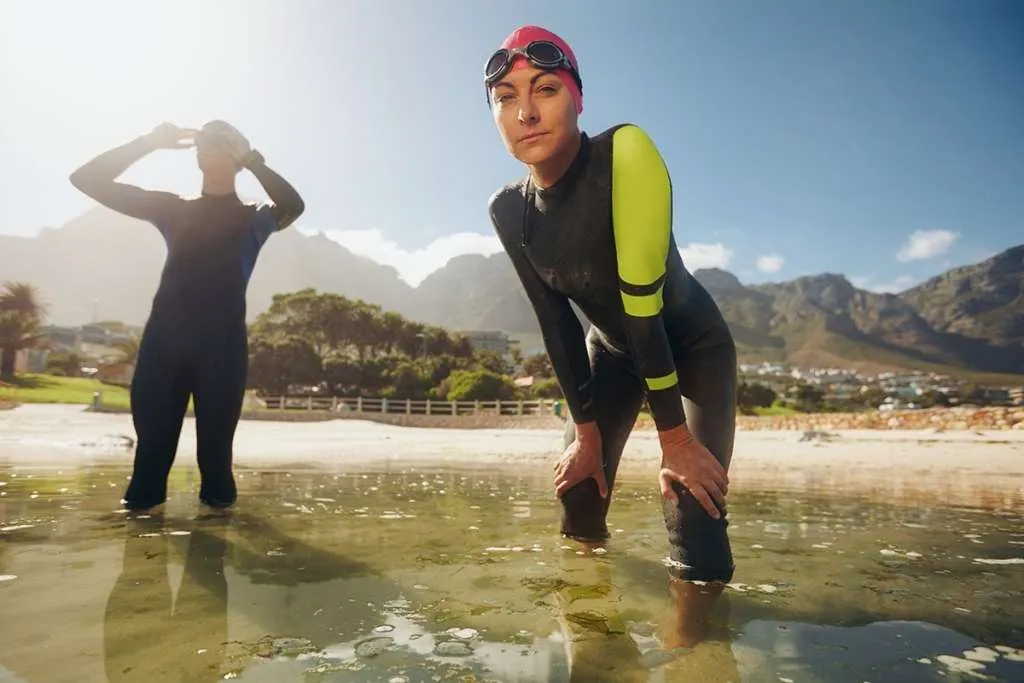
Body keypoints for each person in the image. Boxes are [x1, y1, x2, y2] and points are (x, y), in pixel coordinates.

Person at [485, 25, 737, 583]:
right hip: (615, 353)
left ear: (577, 99)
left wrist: (675, 441)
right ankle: (591, 634)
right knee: (578, 491)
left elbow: (642, 304)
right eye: (506, 98)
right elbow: (555, 323)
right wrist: (587, 436)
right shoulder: (509, 210)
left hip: (691, 347)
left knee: (694, 507)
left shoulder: (625, 153)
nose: (525, 112)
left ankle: (698, 654)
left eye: (545, 89)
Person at [69, 120, 305, 510]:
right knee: (148, 468)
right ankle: (141, 564)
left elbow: (294, 206)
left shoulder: (255, 218)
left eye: (218, 141)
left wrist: (253, 159)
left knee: (216, 469)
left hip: (223, 353)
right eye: (202, 141)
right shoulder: (172, 209)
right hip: (163, 350)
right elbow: (86, 179)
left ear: (237, 154)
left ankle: (214, 561)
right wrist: (147, 142)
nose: (206, 147)